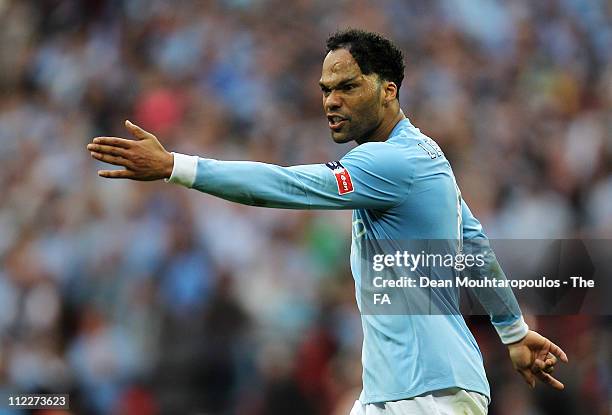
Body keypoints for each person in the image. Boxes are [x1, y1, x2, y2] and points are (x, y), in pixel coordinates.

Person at [87, 29, 568, 414]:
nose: (331, 102)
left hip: (428, 395)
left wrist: (175, 166)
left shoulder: (393, 164)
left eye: (347, 87)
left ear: (388, 90)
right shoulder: (424, 156)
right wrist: (511, 331)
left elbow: (285, 186)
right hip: (399, 389)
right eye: (325, 90)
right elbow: (476, 246)